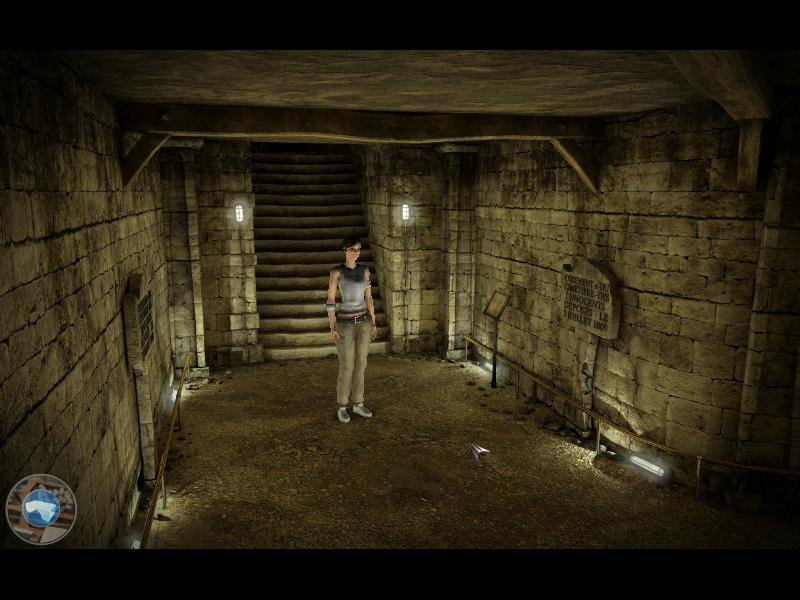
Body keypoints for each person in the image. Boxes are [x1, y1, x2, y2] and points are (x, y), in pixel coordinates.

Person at [327, 236, 378, 423]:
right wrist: (332, 325)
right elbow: (331, 299)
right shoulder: (336, 272)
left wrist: (373, 321)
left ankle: (358, 403)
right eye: (353, 250)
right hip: (345, 324)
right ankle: (342, 405)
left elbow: (369, 298)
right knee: (347, 366)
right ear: (345, 250)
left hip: (363, 322)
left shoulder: (365, 271)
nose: (356, 253)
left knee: (361, 365)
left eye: (358, 250)